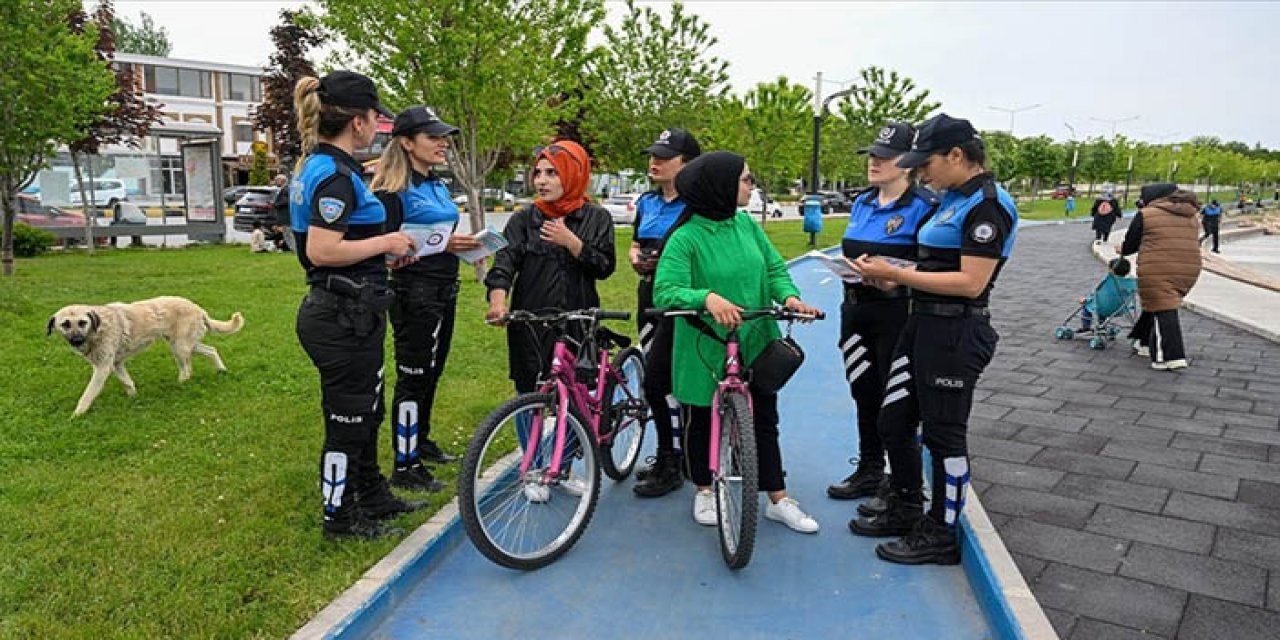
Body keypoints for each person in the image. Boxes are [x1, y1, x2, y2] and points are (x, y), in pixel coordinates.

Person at [847, 114, 1017, 565]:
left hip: (955, 331)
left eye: (928, 162)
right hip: (920, 321)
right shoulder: (951, 199)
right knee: (894, 420)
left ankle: (942, 532)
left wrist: (897, 273)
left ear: (957, 155)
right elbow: (934, 270)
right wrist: (894, 283)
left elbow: (971, 282)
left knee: (944, 437)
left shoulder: (987, 204)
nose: (923, 172)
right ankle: (906, 505)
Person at [653, 151, 824, 534]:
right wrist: (706, 299)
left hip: (756, 338)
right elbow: (666, 290)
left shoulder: (747, 226)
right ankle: (702, 488)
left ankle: (777, 498)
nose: (751, 186)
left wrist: (790, 298)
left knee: (765, 419)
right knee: (699, 418)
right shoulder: (686, 238)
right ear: (719, 187)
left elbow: (776, 269)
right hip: (705, 343)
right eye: (745, 179)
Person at [290, 71, 426, 540]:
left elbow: (345, 241)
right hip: (340, 314)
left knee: (368, 409)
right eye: (374, 116)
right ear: (358, 122)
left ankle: (371, 492)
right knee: (348, 420)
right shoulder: (334, 175)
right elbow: (322, 252)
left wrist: (384, 250)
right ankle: (341, 517)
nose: (376, 125)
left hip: (354, 308)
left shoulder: (322, 167)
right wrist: (387, 239)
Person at [371, 106, 481, 492]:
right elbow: (384, 250)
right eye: (432, 137)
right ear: (405, 141)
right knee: (413, 377)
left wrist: (463, 247)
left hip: (444, 287)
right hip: (413, 292)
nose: (443, 143)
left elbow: (436, 236)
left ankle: (421, 439)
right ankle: (406, 463)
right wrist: (442, 243)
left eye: (443, 136)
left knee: (431, 372)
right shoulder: (390, 191)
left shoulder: (435, 183)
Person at [827, 122, 937, 502]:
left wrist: (896, 281)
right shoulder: (862, 202)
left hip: (897, 314)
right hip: (855, 311)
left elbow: (933, 268)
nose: (875, 162)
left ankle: (903, 481)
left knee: (899, 403)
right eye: (872, 155)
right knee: (863, 392)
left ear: (908, 163)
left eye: (885, 157)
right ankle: (870, 469)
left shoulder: (924, 207)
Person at [485, 140, 616, 395]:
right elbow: (504, 263)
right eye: (538, 173)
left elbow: (605, 266)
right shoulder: (524, 219)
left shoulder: (596, 217)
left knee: (578, 394)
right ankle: (532, 435)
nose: (541, 181)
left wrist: (573, 243)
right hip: (531, 321)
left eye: (552, 173)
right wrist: (497, 302)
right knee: (529, 391)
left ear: (573, 174)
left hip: (578, 321)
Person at [628, 128, 701, 498]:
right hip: (649, 298)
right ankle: (669, 454)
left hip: (682, 303)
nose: (654, 162)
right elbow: (637, 242)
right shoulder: (647, 202)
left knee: (672, 381)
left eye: (664, 156)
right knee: (657, 384)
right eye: (652, 155)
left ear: (686, 164)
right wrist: (636, 257)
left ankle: (682, 458)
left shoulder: (698, 209)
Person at [1118, 183, 1202, 370]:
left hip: (1158, 267)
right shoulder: (1191, 215)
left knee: (1164, 307)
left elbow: (1130, 244)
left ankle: (1170, 357)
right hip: (1189, 268)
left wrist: (1122, 251)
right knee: (1158, 302)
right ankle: (1144, 343)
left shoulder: (1147, 214)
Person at [1076, 256, 1136, 331]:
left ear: (1111, 270)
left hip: (1103, 307)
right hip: (1121, 309)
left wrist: (1085, 300)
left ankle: (1086, 327)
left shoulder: (1109, 281)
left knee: (1088, 306)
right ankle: (1102, 326)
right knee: (1103, 305)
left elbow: (1097, 293)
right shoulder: (1132, 283)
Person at [269, 174, 296, 253]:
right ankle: (291, 248)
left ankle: (293, 248)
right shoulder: (284, 189)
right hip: (284, 217)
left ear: (282, 181)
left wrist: (276, 204)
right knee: (286, 233)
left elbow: (287, 201)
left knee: (288, 233)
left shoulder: (286, 189)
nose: (275, 182)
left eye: (276, 180)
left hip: (286, 216)